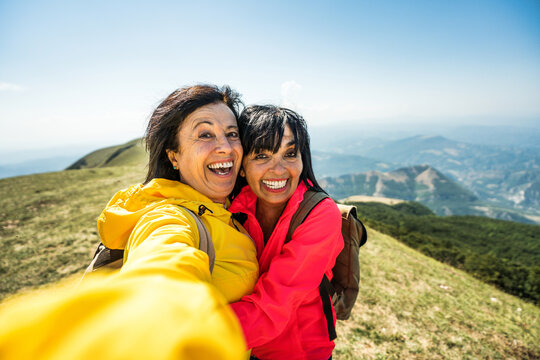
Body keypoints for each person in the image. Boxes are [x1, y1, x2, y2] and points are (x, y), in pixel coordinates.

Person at [0, 84, 258, 360]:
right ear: (174, 156)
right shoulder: (170, 217)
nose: (226, 147)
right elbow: (162, 279)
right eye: (205, 134)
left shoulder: (227, 211)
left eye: (232, 134)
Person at [229, 105, 344, 360]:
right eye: (261, 156)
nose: (279, 169)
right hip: (247, 347)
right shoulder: (233, 206)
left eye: (290, 153)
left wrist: (193, 333)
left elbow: (272, 308)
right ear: (242, 166)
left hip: (300, 352)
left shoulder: (321, 215)